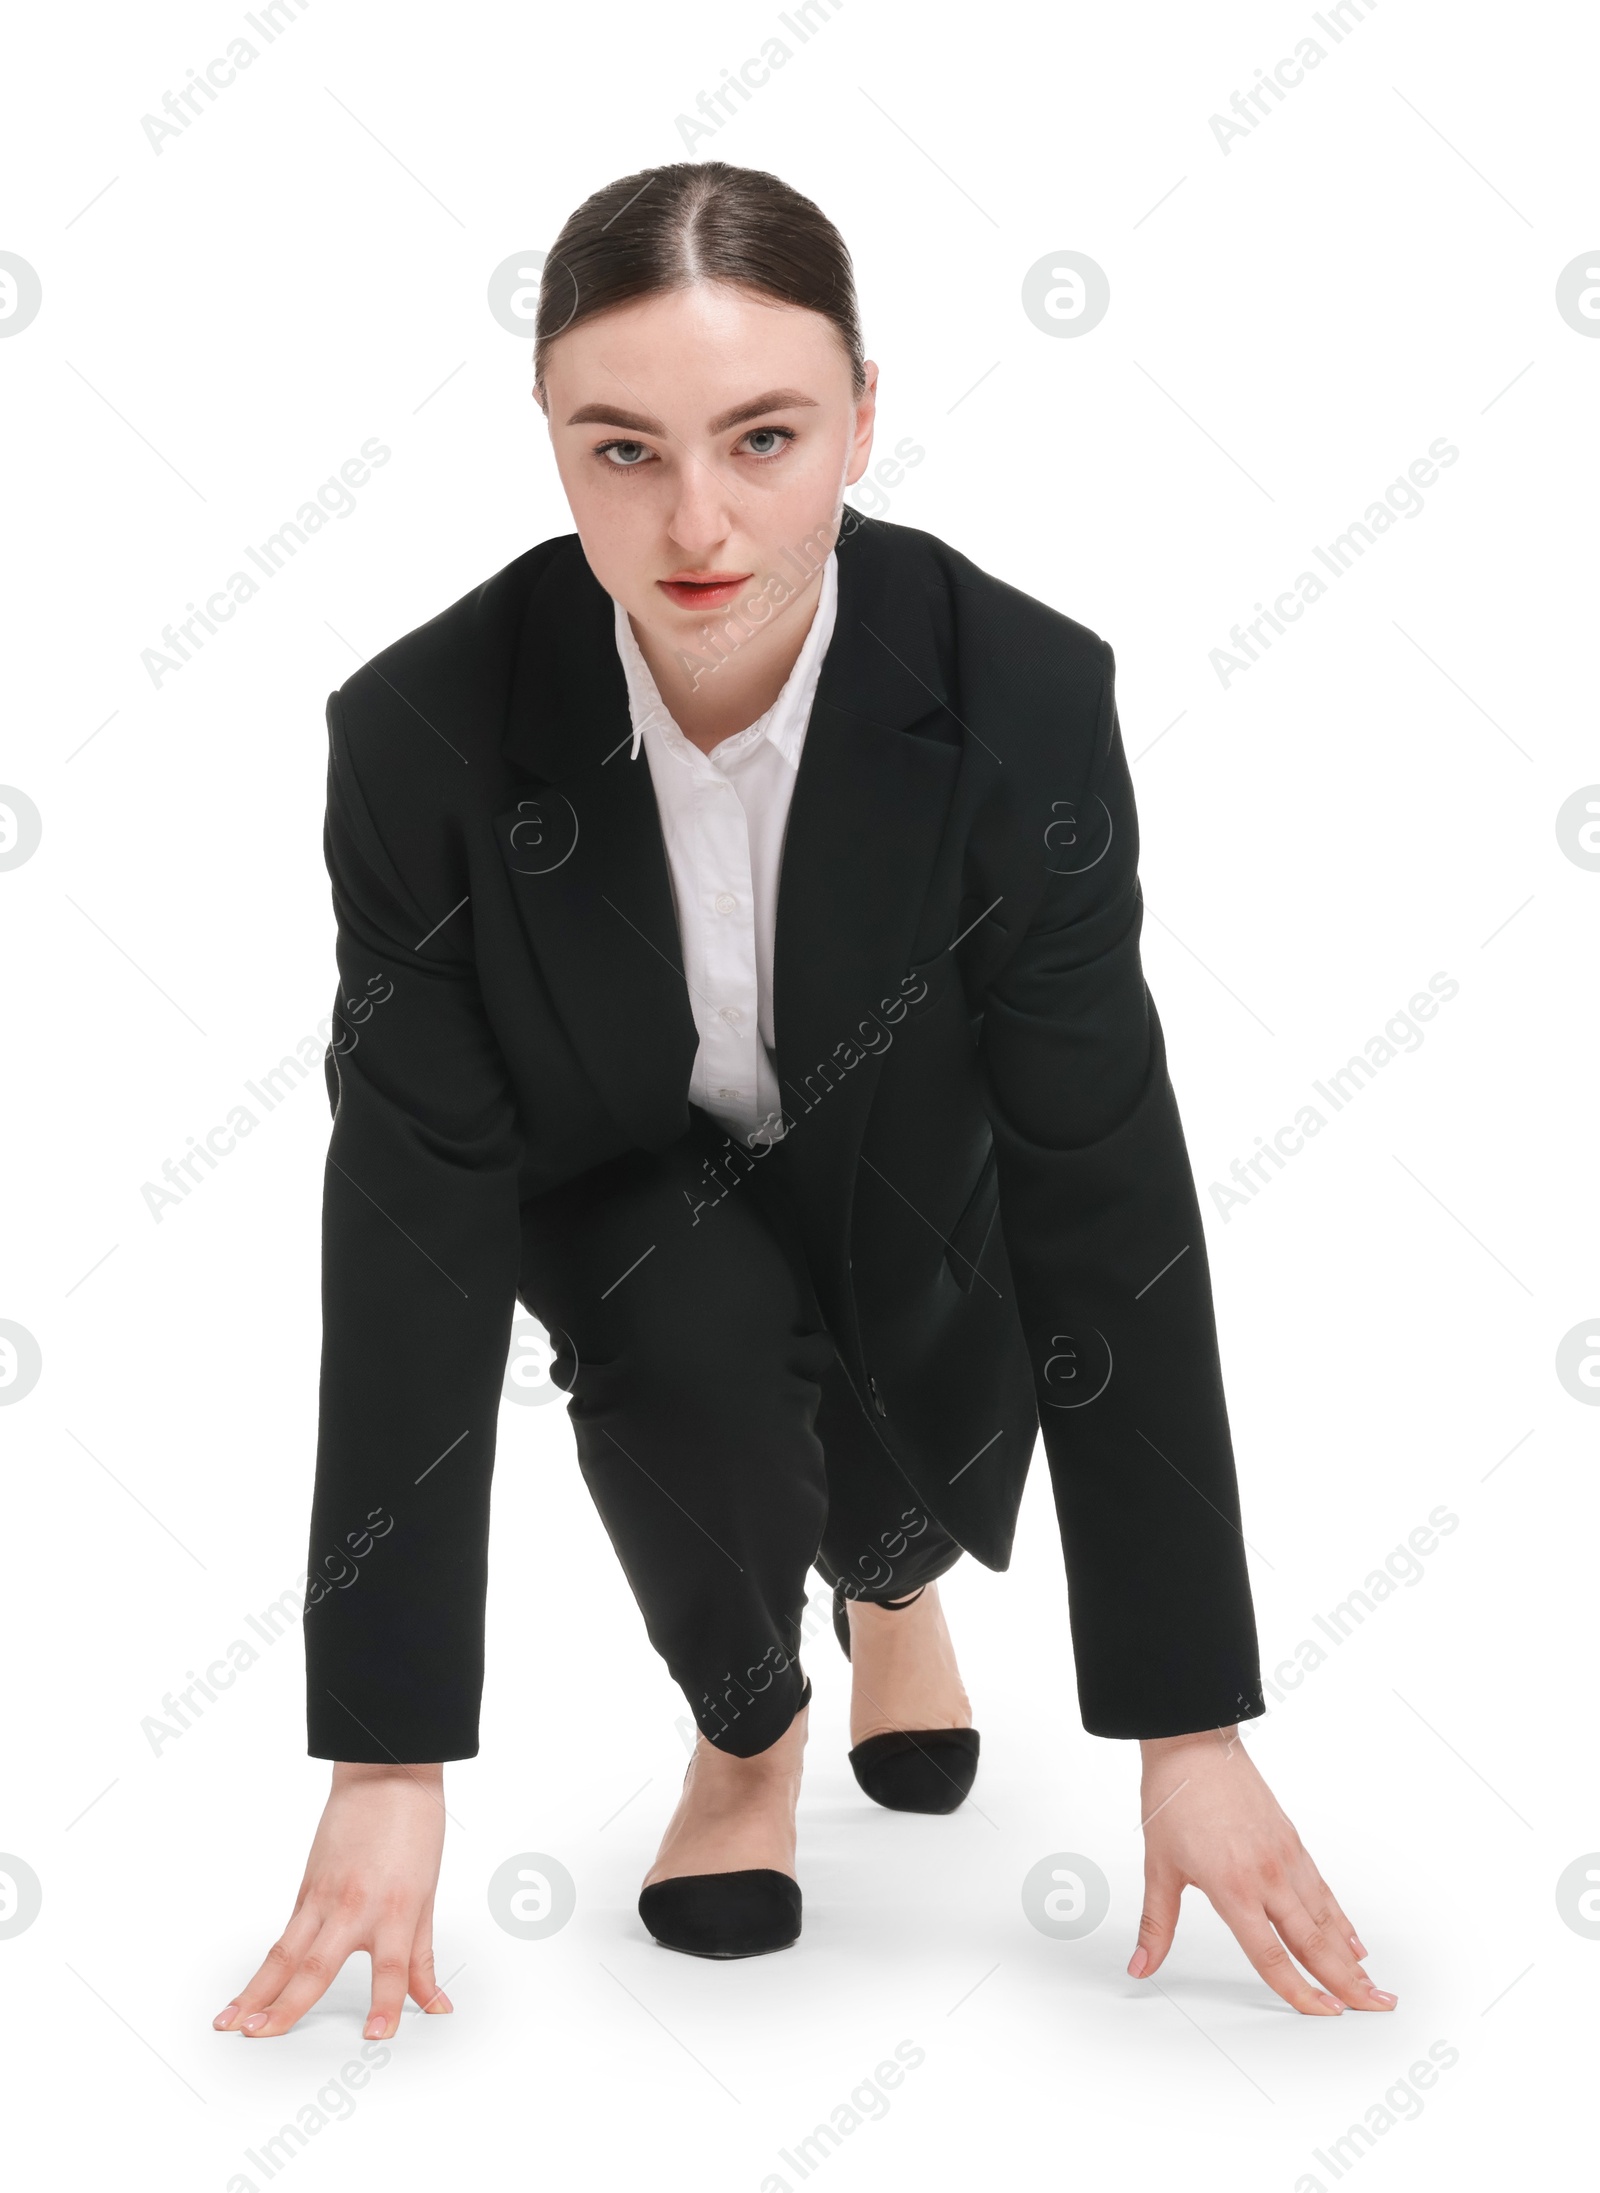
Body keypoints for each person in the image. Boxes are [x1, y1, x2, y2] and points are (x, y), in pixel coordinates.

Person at [212, 159, 1396, 2040]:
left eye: (764, 437)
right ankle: (749, 1726)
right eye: (622, 451)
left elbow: (1105, 1180)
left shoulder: (1022, 695)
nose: (699, 520)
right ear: (548, 443)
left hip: (932, 1188)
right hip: (627, 1195)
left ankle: (896, 1578)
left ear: (862, 412)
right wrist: (384, 1767)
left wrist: (1193, 1725)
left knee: (933, 1325)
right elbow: (413, 1223)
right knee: (684, 1321)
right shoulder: (420, 736)